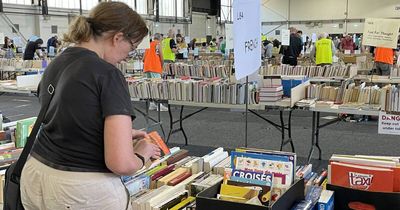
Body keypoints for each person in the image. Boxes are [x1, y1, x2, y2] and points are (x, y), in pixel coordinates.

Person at [20, 2, 161, 210]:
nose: (127, 57)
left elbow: (65, 119)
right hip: (79, 189)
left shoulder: (58, 62)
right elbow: (120, 163)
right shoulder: (108, 74)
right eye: (131, 48)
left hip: (35, 175)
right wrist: (142, 154)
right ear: (118, 37)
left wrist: (117, 133)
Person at [143, 33, 168, 111]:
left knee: (150, 86)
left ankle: (152, 104)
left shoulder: (149, 45)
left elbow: (143, 58)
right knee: (157, 86)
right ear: (160, 38)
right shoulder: (158, 44)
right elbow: (162, 57)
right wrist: (162, 66)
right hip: (155, 67)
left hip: (147, 67)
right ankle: (159, 105)